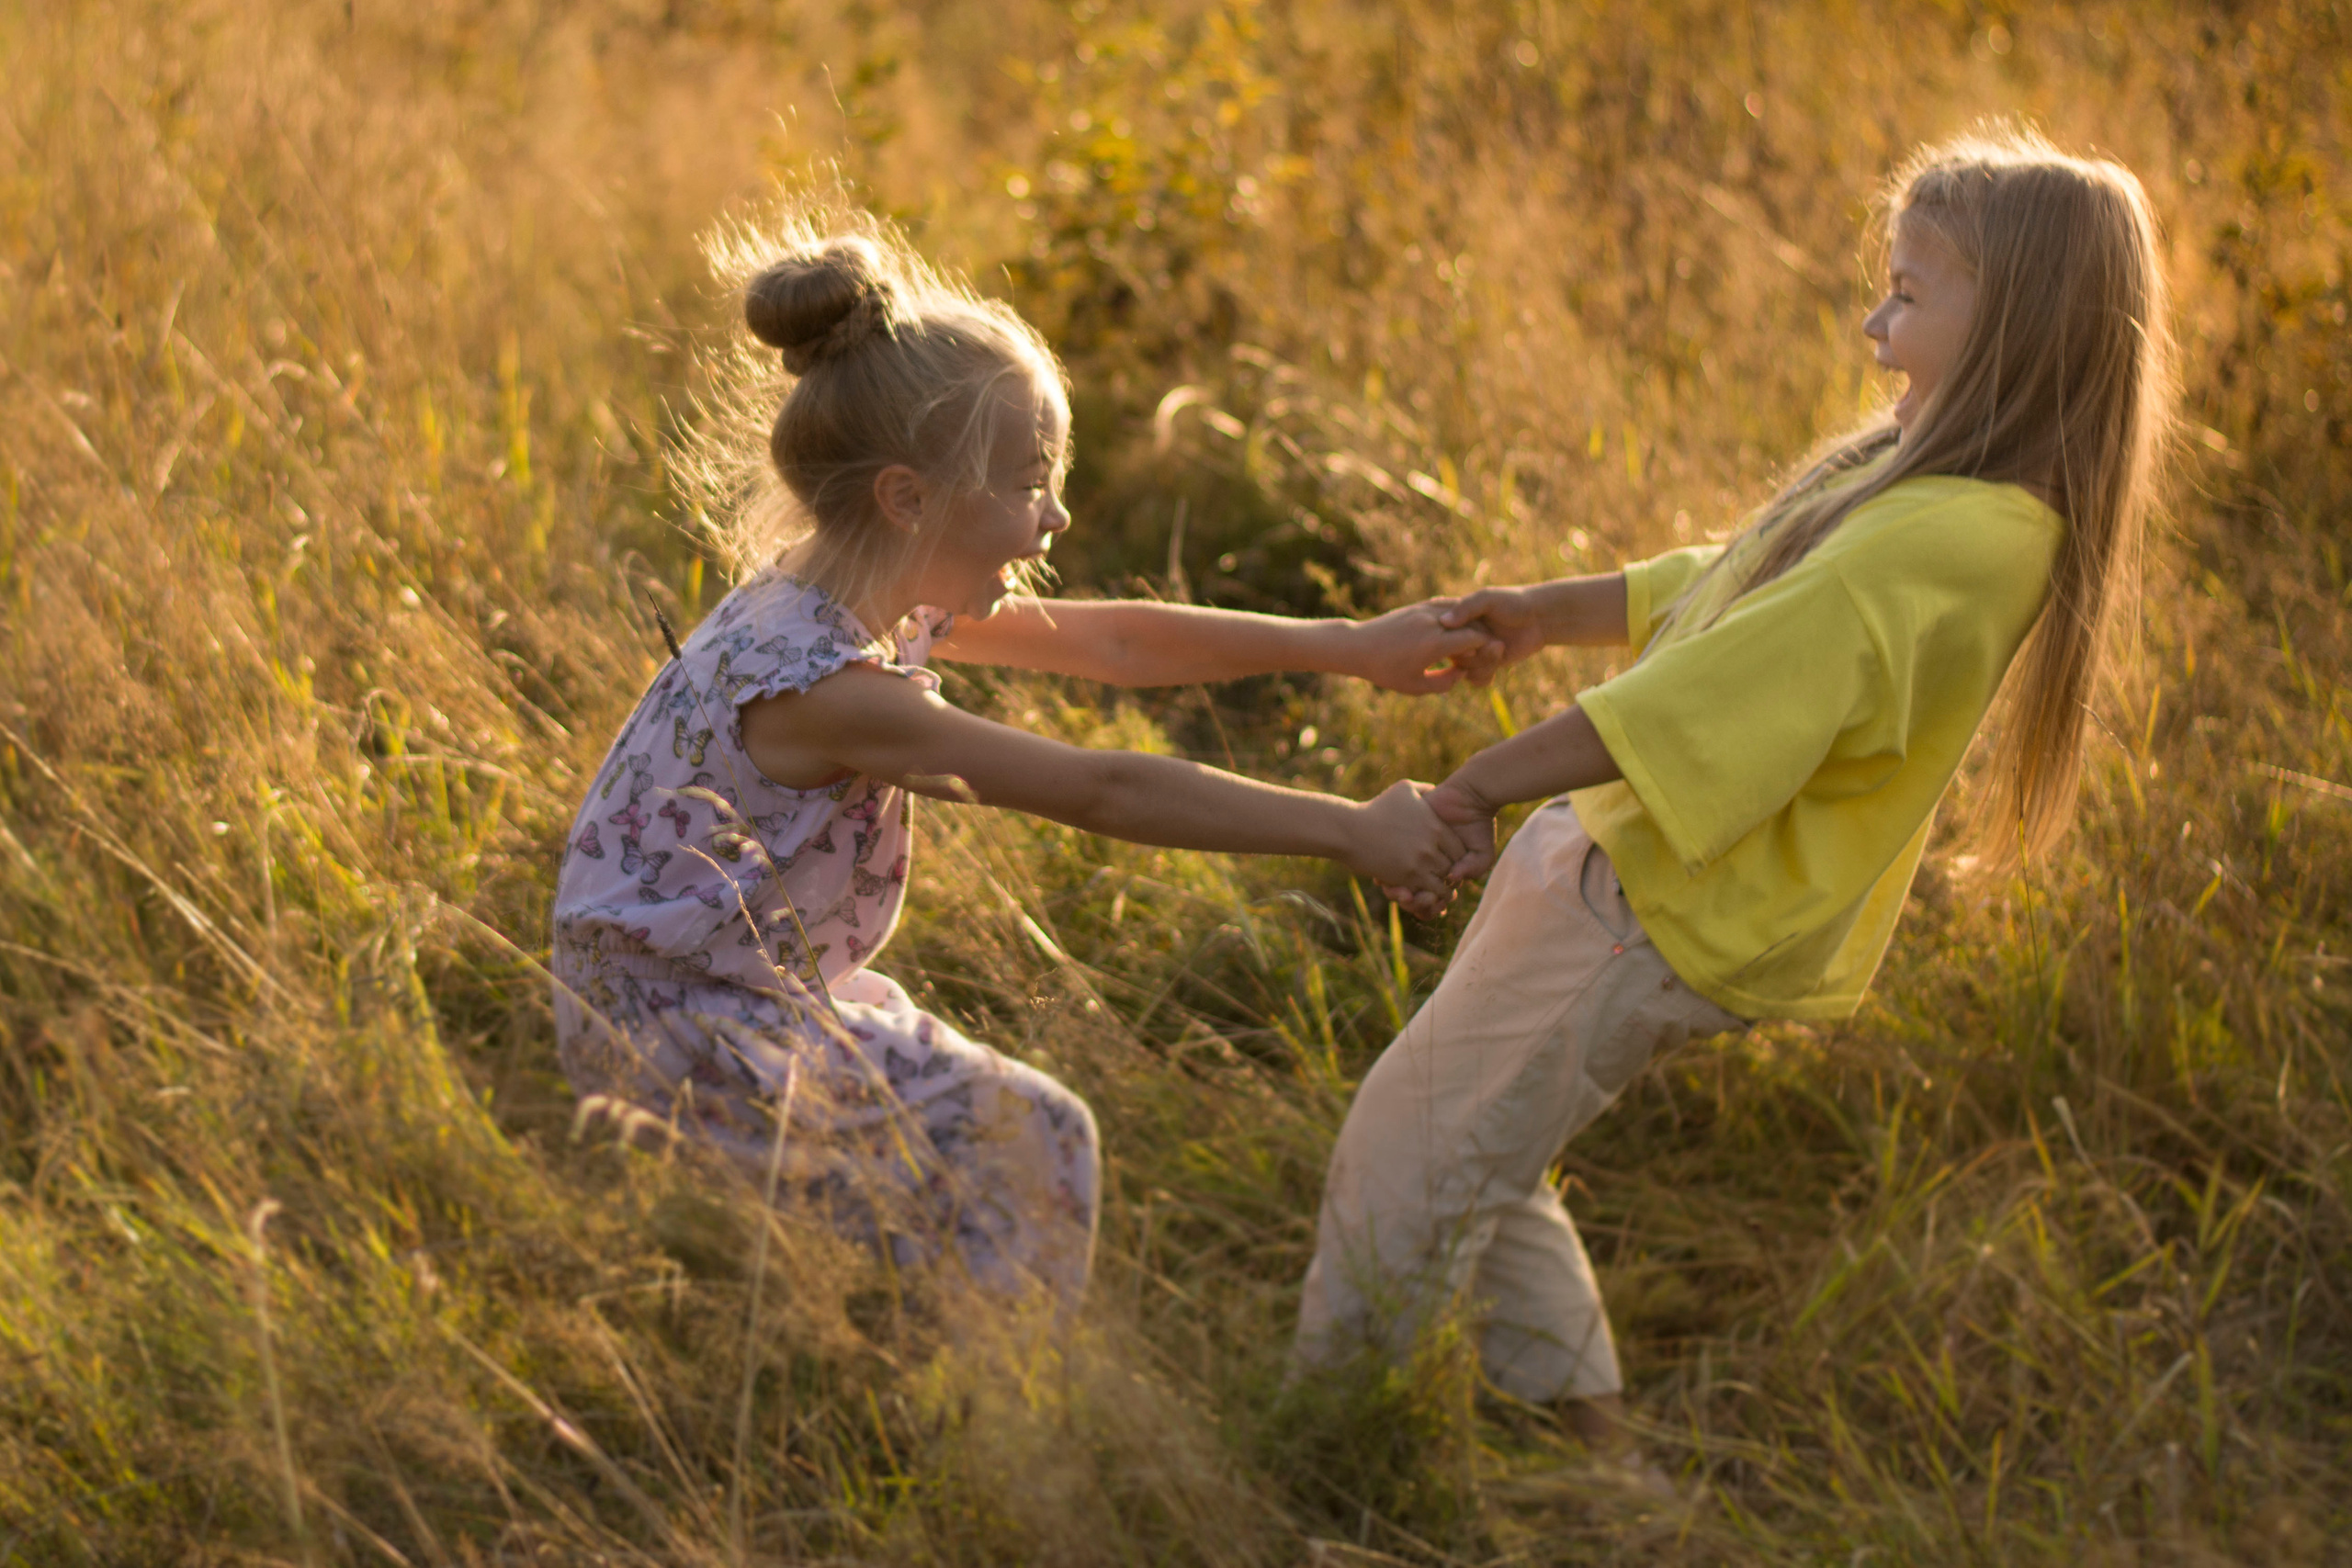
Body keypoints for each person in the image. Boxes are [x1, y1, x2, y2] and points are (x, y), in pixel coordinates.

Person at [1294, 126, 2177, 1460]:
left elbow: (1712, 698)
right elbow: (1742, 570)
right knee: (1476, 1149)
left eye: (1910, 296)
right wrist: (1547, 611)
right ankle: (1604, 1468)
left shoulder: (1965, 535)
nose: (1876, 326)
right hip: (1617, 873)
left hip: (1645, 900)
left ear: (2018, 326)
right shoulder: (1923, 473)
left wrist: (1469, 789)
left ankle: (1319, 1444)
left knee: (1405, 1154)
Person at [550, 221, 1491, 1314]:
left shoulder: (841, 590)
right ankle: (1000, 1424)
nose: (1056, 516)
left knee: (922, 1181)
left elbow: (1113, 644)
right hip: (683, 1029)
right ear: (908, 498)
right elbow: (1101, 789)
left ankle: (859, 1356)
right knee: (1031, 1139)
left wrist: (1352, 648)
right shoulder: (828, 686)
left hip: (720, 991)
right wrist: (1348, 827)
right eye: (1030, 482)